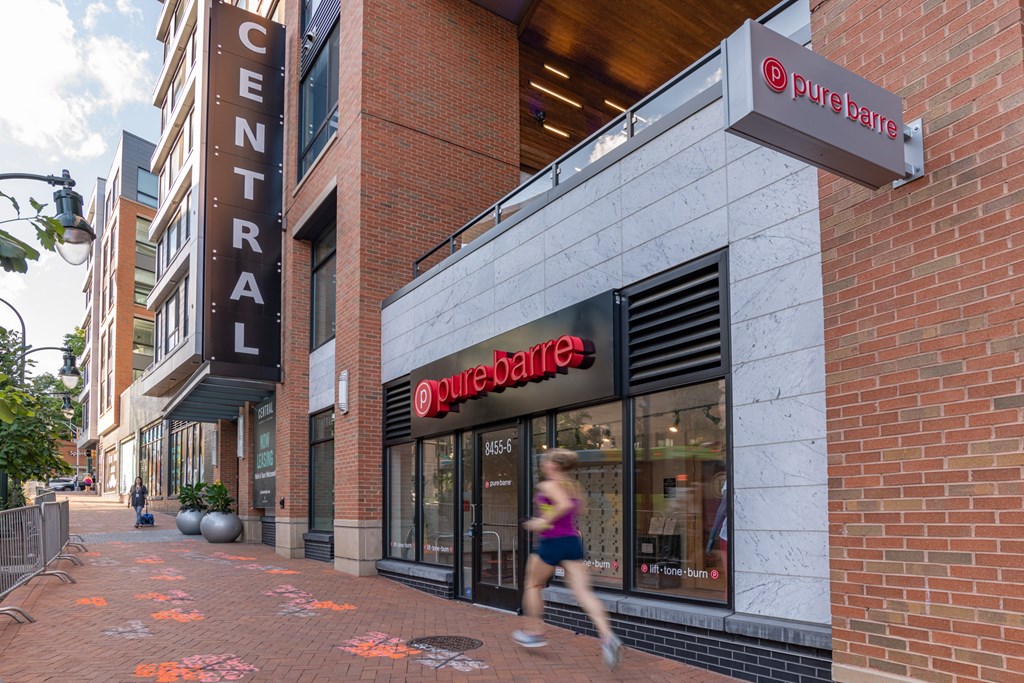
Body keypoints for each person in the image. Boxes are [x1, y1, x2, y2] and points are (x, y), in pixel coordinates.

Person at [513, 448, 623, 669]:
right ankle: (608, 637)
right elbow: (580, 509)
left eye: (545, 462)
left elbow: (563, 505)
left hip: (552, 541)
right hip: (572, 541)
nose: (543, 465)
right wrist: (550, 514)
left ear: (553, 465)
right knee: (583, 593)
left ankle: (534, 632)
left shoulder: (548, 485)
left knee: (532, 584)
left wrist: (542, 522)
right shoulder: (574, 486)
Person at [706, 481, 728, 574]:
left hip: (728, 537)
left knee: (729, 574)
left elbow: (724, 506)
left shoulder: (734, 477)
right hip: (729, 535)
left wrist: (711, 537)